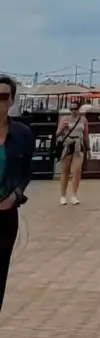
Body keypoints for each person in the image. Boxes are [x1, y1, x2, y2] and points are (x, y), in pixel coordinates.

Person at [0, 76, 34, 316]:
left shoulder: (22, 134)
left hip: (5, 216)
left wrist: (16, 195)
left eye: (3, 97)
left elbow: (26, 172)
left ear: (11, 100)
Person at [56, 100, 90, 205]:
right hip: (67, 145)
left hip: (78, 146)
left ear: (79, 109)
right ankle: (63, 195)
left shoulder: (83, 120)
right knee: (65, 172)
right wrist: (62, 128)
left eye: (75, 108)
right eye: (71, 109)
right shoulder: (64, 119)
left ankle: (74, 195)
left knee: (77, 170)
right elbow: (57, 134)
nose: (73, 111)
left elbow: (86, 135)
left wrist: (88, 149)